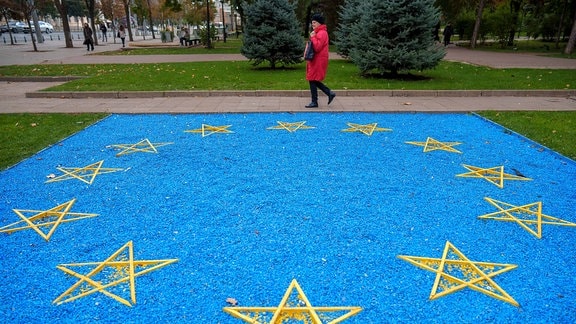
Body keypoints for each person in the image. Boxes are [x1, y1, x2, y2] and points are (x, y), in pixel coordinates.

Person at [305, 13, 335, 108]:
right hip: (316, 59)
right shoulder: (319, 32)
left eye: (314, 22)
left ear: (319, 23)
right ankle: (328, 93)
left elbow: (317, 47)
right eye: (312, 22)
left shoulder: (322, 33)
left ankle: (315, 101)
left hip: (318, 60)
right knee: (312, 79)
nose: (312, 24)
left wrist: (313, 37)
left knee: (312, 79)